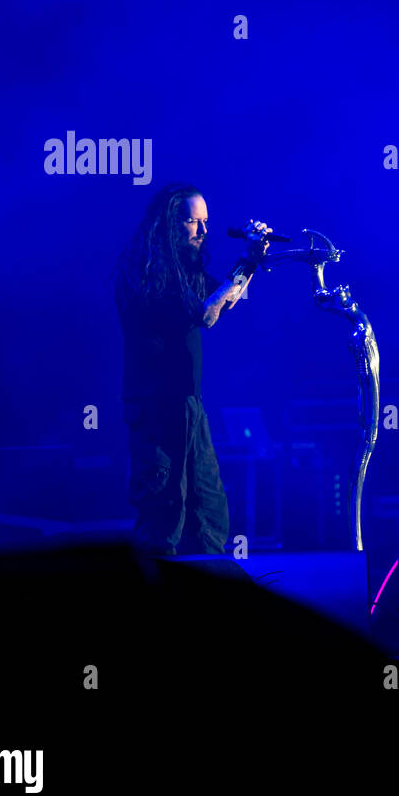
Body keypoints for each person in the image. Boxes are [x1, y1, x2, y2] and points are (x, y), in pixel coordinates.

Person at [113, 183, 273, 555]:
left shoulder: (186, 269)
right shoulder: (149, 272)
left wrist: (251, 261)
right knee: (164, 514)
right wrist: (246, 261)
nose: (203, 231)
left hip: (187, 404)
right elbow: (206, 314)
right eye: (193, 222)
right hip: (156, 407)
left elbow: (227, 301)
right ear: (170, 224)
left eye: (206, 221)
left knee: (207, 512)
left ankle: (202, 600)